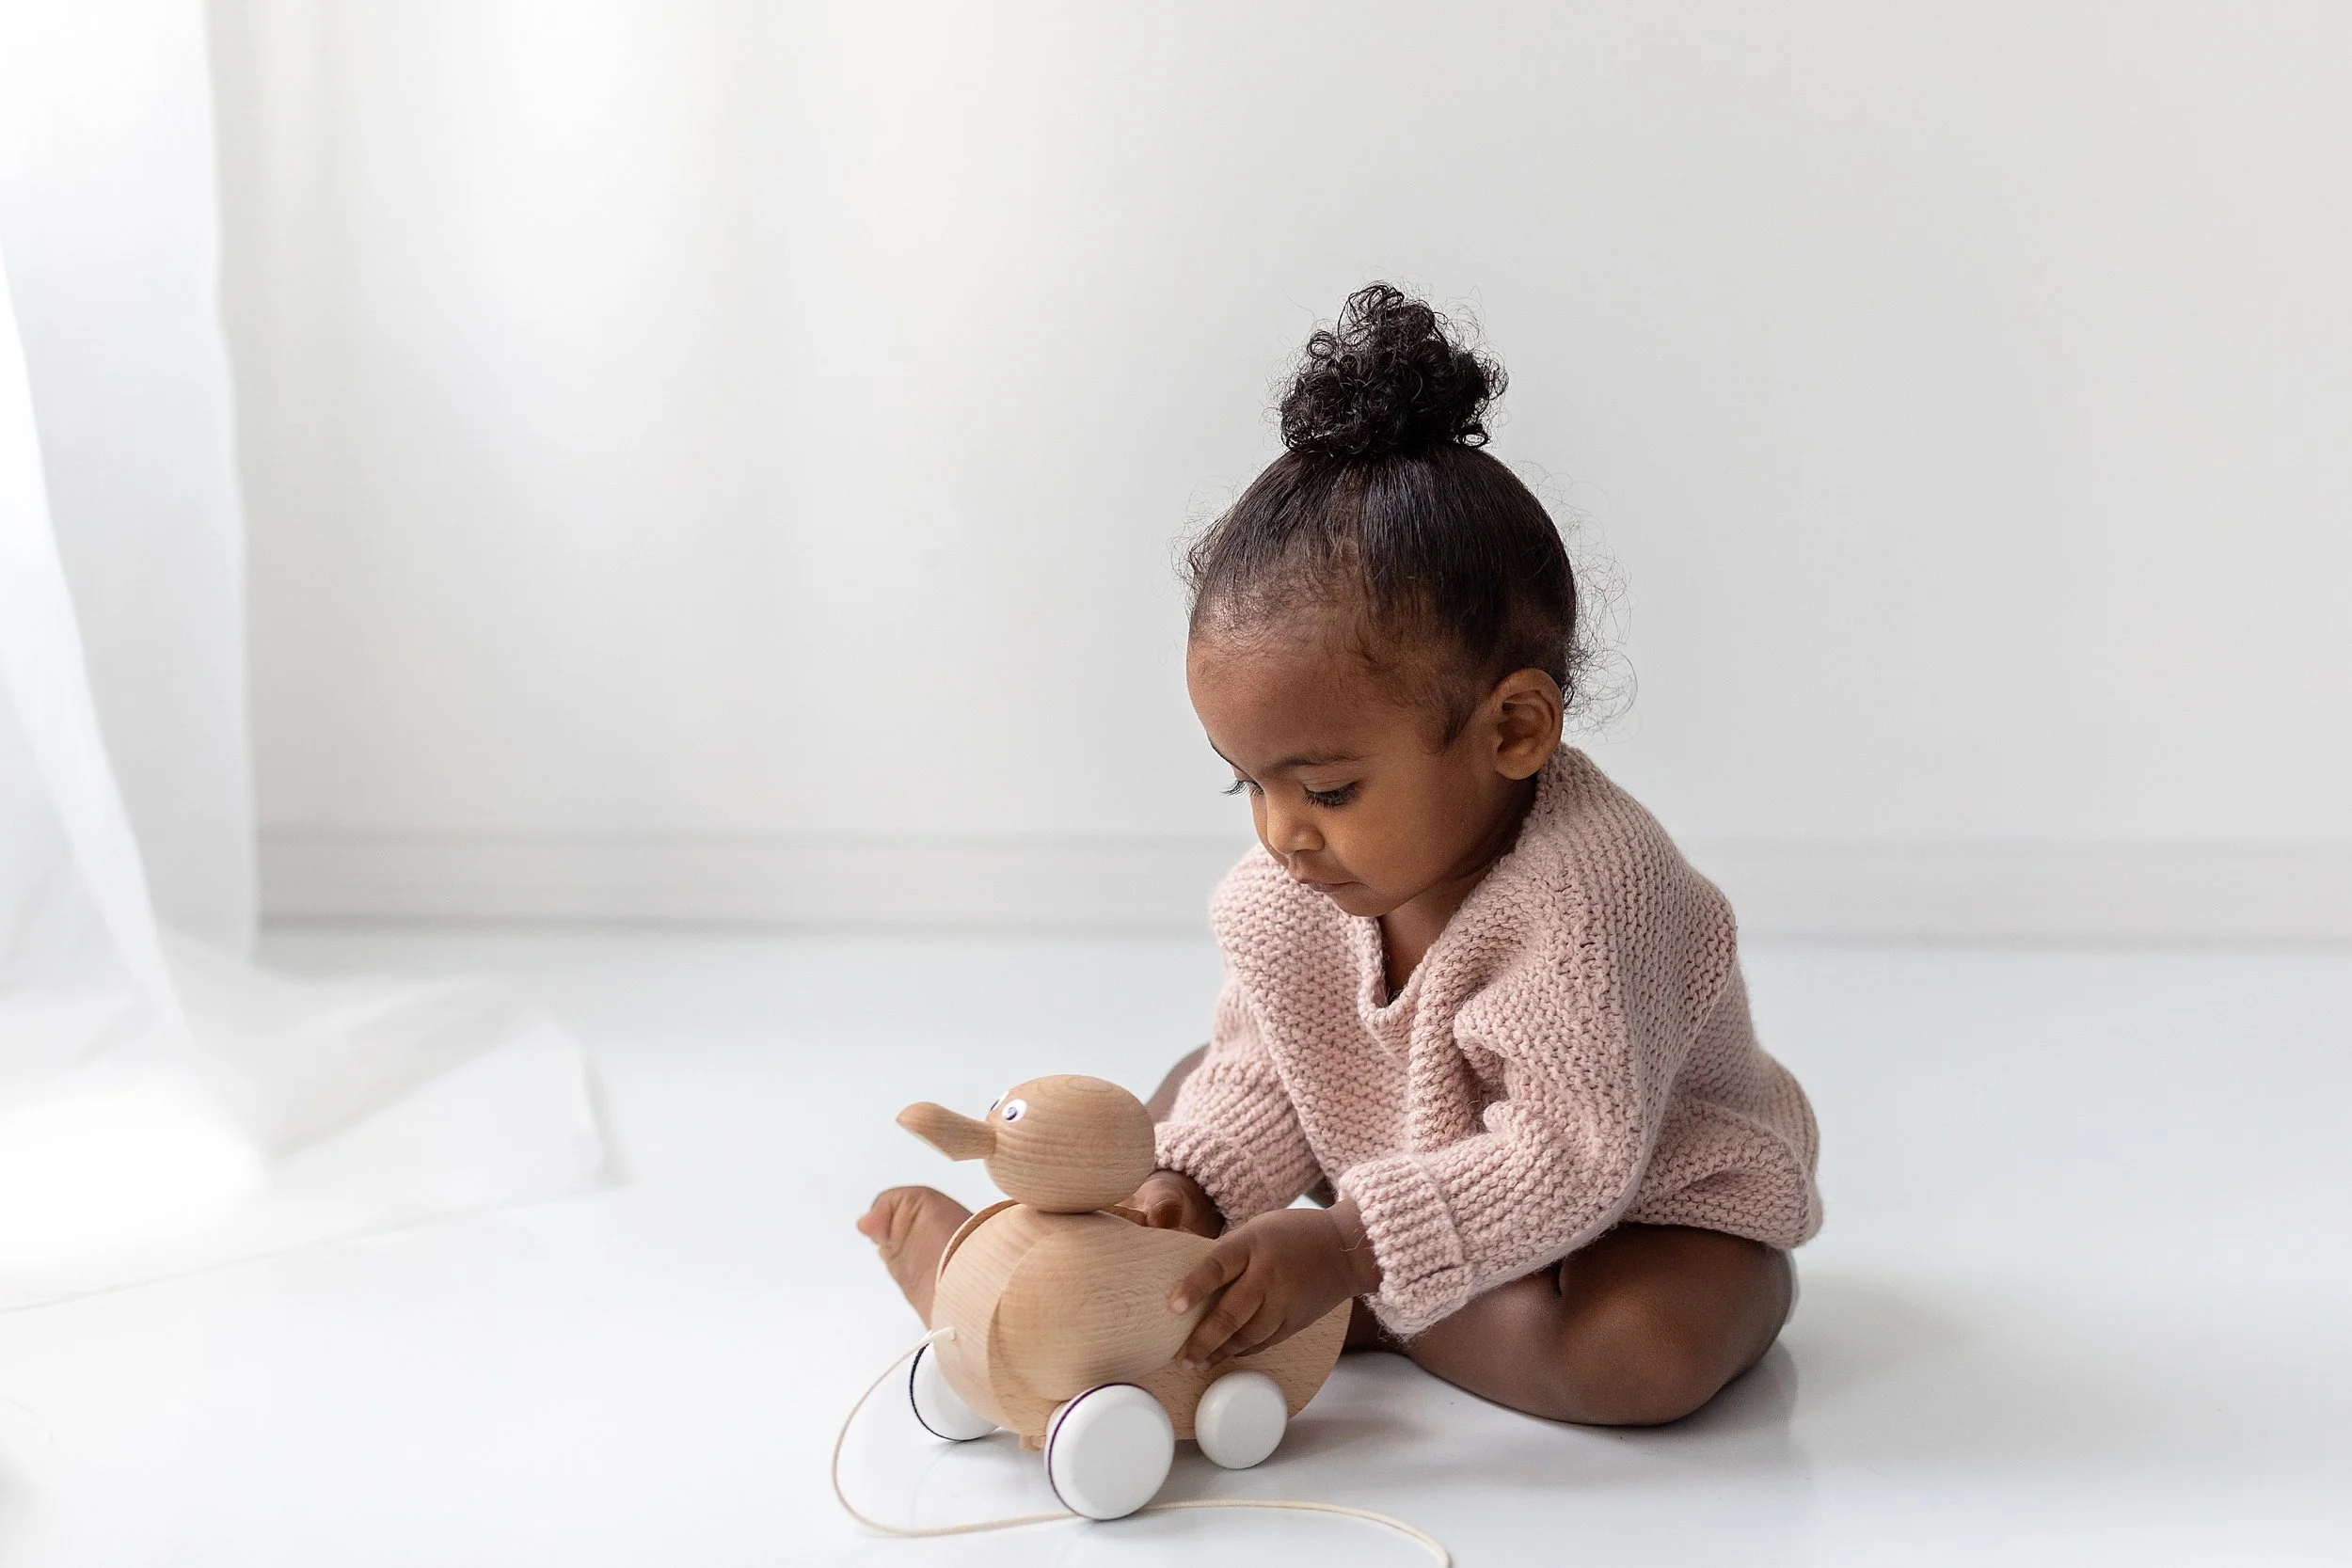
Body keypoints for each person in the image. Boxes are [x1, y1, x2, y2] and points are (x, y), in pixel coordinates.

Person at [860, 284, 1820, 1426]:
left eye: (1326, 788)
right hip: (1400, 1173)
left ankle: (1328, 1313)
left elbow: (1570, 1158)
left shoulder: (1594, 896)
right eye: (1246, 780)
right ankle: (1069, 1281)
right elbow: (1270, 1062)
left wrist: (1349, 1247)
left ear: (1512, 730)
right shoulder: (1293, 890)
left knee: (1634, 1354)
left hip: (1634, 1210)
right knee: (1183, 1102)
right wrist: (1195, 1183)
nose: (1280, 830)